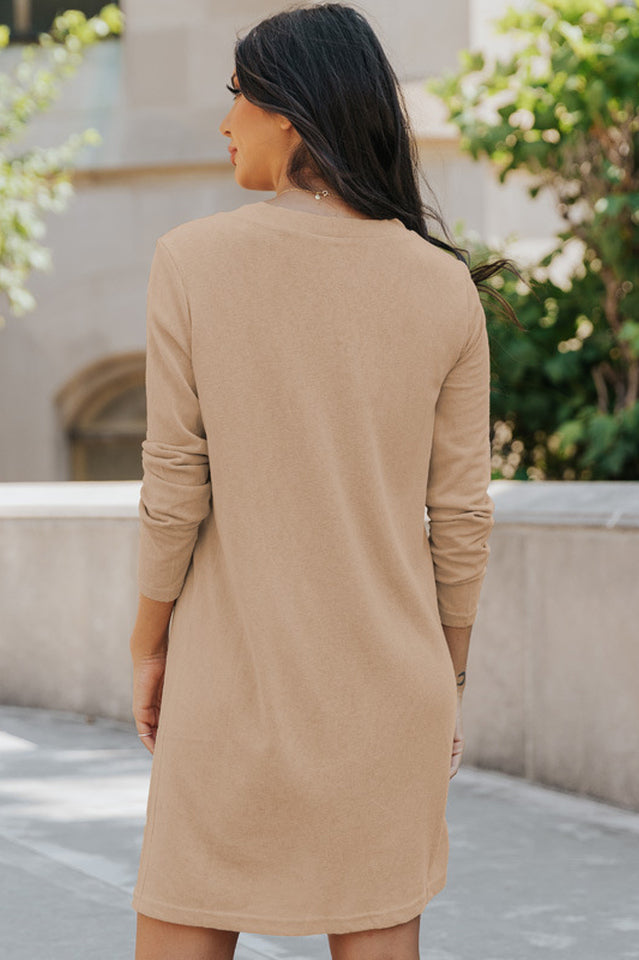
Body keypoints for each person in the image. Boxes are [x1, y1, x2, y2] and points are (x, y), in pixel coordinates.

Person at [128, 3, 517, 958]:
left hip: (228, 689)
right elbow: (460, 517)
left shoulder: (191, 262)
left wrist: (148, 644)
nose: (224, 122)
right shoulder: (442, 286)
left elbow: (174, 486)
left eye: (238, 97)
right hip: (390, 698)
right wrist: (448, 676)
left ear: (290, 114)